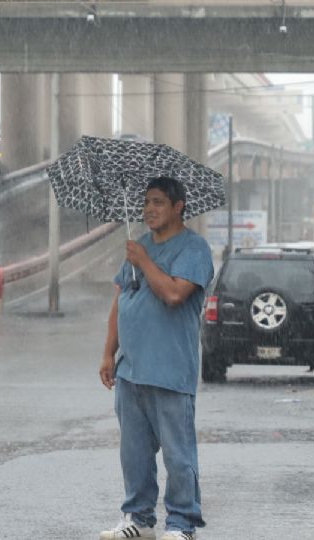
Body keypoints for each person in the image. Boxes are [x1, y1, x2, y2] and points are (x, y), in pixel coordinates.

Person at [98, 176, 214, 540]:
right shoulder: (140, 246)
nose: (149, 209)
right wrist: (107, 352)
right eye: (146, 202)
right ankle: (138, 517)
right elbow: (121, 301)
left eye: (158, 202)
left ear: (179, 206)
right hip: (131, 370)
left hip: (170, 370)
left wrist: (144, 260)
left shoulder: (194, 249)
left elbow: (175, 294)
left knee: (178, 456)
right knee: (134, 454)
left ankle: (182, 523)